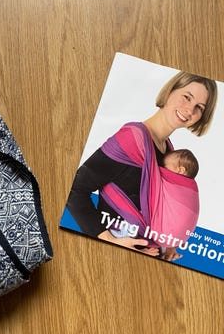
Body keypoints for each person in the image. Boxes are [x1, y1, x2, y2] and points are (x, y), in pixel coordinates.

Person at [66, 71, 217, 257]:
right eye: (187, 97)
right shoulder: (132, 139)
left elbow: (159, 210)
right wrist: (109, 240)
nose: (190, 110)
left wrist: (168, 246)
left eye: (199, 107)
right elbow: (74, 190)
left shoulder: (169, 152)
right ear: (170, 91)